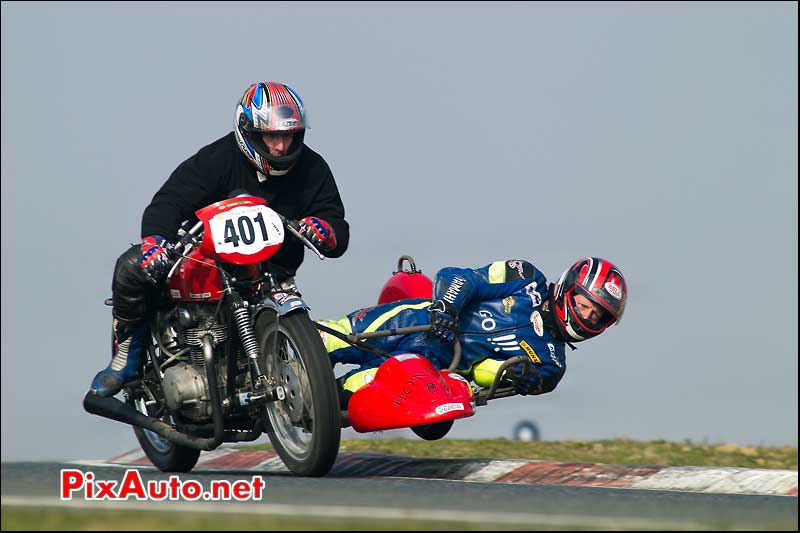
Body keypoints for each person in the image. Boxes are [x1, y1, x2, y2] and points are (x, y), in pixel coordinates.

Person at [89, 81, 350, 398]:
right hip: (214, 266)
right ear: (250, 133)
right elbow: (169, 201)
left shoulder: (313, 168)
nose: (281, 147)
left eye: (288, 136)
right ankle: (128, 349)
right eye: (272, 136)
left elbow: (336, 223)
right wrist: (156, 241)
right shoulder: (217, 159)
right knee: (130, 266)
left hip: (273, 277)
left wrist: (324, 229)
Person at [318, 257, 626, 406]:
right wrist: (447, 309)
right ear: (569, 287)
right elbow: (464, 278)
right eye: (585, 304)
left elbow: (487, 374)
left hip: (432, 364)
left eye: (597, 316)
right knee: (328, 338)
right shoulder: (527, 277)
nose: (586, 317)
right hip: (416, 318)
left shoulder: (551, 365)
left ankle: (309, 408)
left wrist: (520, 377)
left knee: (344, 393)